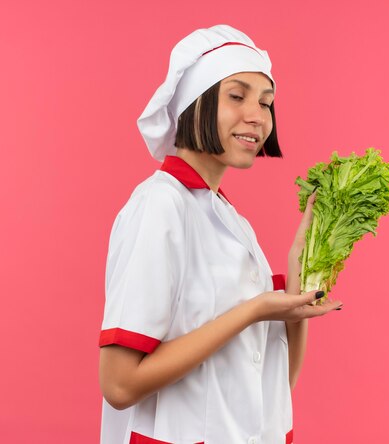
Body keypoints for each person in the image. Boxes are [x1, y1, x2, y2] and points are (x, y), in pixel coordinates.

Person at [98, 25, 343, 444]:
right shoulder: (160, 205)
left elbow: (274, 386)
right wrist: (253, 310)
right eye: (237, 95)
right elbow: (119, 385)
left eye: (266, 104)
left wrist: (298, 273)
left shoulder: (231, 221)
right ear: (194, 102)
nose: (257, 116)